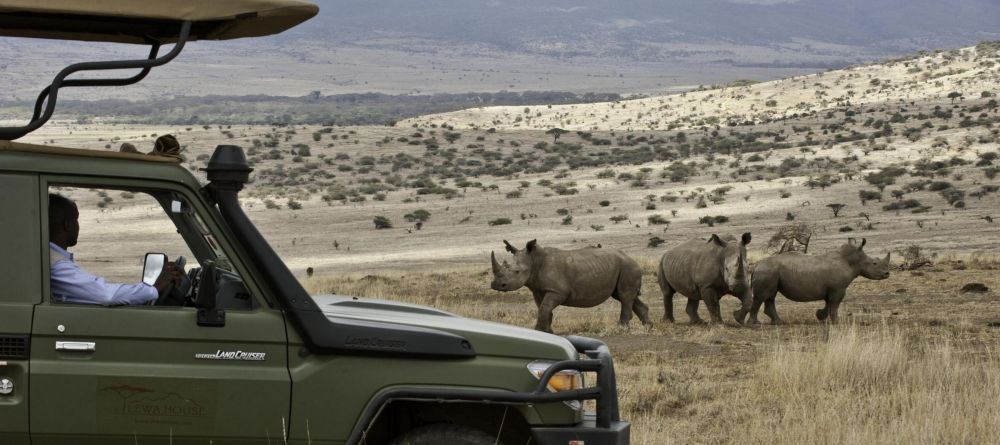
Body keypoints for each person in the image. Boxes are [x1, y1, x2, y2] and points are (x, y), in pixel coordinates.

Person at [48, 193, 183, 305]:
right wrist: (154, 289)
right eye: (76, 219)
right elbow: (105, 295)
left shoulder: (51, 258)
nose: (78, 226)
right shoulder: (56, 265)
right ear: (67, 225)